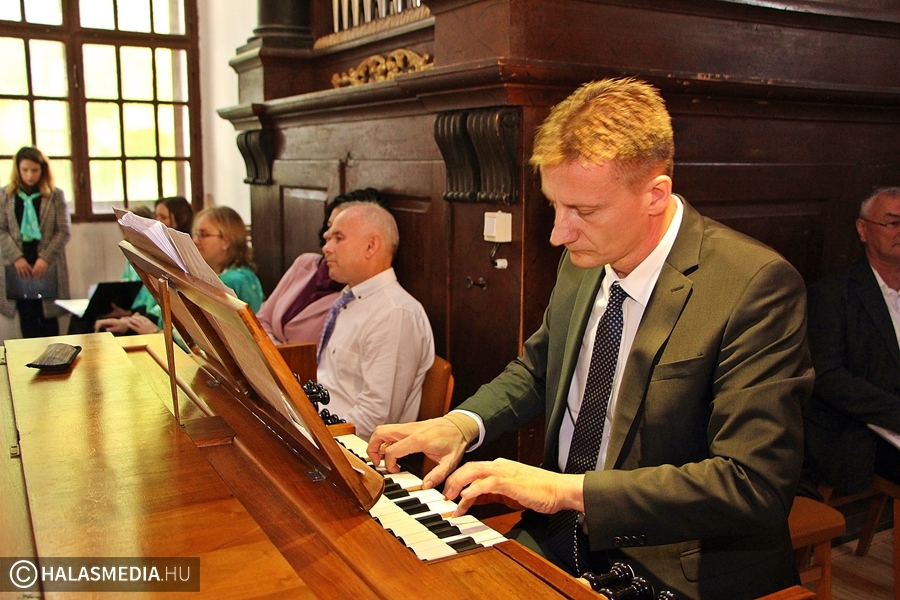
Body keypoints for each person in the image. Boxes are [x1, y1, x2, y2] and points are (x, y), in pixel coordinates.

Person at [368, 78, 813, 599]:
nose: (559, 233)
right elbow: (539, 368)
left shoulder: (754, 286)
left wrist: (565, 490)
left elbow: (753, 485)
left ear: (654, 195)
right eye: (555, 206)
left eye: (583, 211)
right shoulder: (586, 258)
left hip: (673, 561)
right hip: (561, 532)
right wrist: (461, 425)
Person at [803, 187, 900, 495]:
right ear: (863, 229)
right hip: (859, 429)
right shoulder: (832, 295)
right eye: (893, 223)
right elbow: (828, 377)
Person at [317, 201, 434, 441]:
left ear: (371, 246)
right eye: (328, 238)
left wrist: (319, 438)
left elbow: (376, 420)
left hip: (351, 447)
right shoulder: (351, 297)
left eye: (338, 238)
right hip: (322, 426)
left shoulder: (394, 314)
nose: (326, 248)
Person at [96, 206, 264, 334]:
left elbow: (212, 337)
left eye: (203, 235)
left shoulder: (237, 280)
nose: (195, 240)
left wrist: (157, 332)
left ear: (226, 241)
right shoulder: (209, 275)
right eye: (195, 234)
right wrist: (130, 322)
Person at [257, 188, 385, 346]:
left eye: (339, 235)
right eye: (330, 227)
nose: (329, 238)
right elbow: (261, 319)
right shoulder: (306, 262)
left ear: (370, 245)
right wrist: (274, 350)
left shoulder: (356, 294)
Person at [0, 146, 71, 338]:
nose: (30, 175)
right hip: (19, 266)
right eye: (25, 170)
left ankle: (54, 356)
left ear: (43, 170)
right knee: (27, 318)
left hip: (47, 266)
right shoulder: (5, 195)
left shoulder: (55, 195)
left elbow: (64, 231)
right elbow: (1, 230)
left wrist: (44, 258)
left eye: (35, 170)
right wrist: (17, 257)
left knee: (49, 318)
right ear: (18, 169)